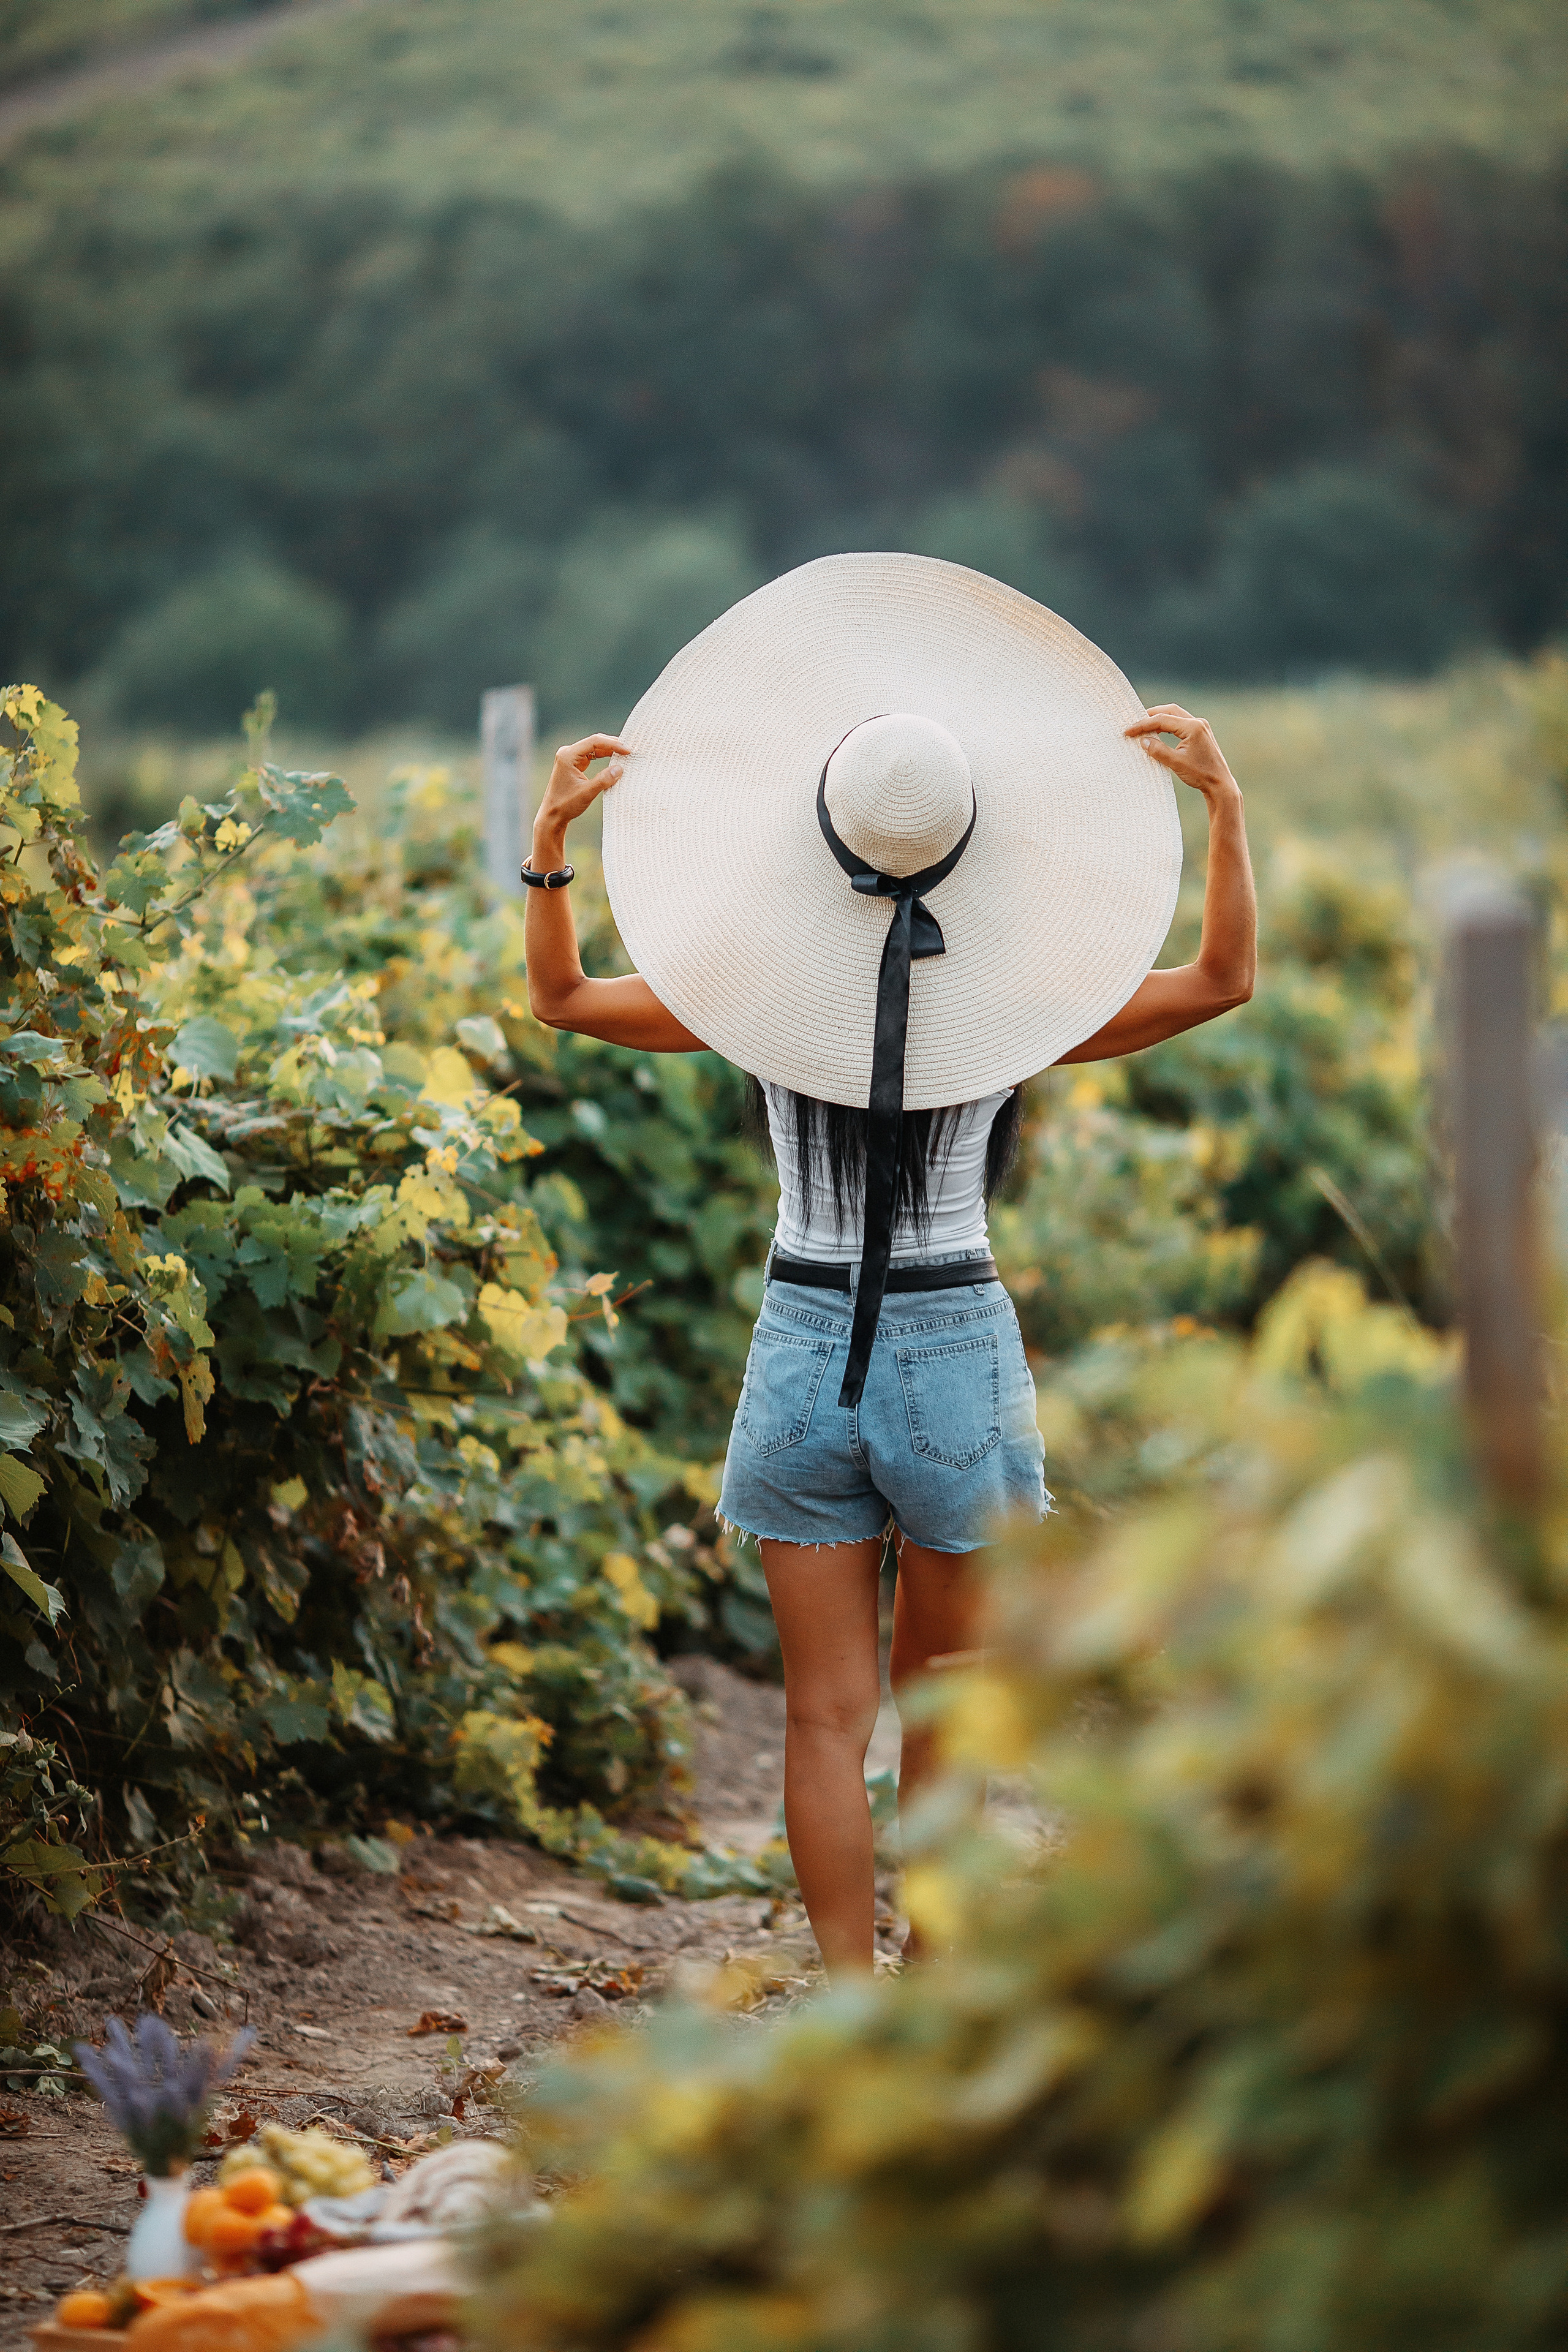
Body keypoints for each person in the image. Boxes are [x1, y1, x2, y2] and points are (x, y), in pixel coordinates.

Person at [522, 556, 1256, 1978]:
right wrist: (1220, 809)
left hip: (799, 1349)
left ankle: (848, 2004)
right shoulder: (1031, 998)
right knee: (947, 1713)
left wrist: (553, 844)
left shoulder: (738, 989)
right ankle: (933, 2000)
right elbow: (1220, 980)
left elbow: (555, 997)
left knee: (819, 1720)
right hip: (956, 1357)